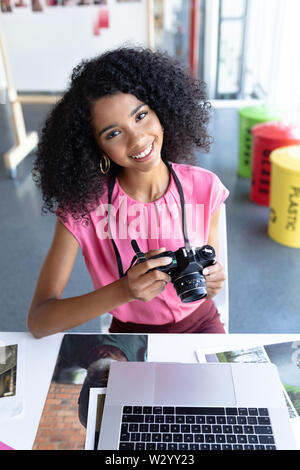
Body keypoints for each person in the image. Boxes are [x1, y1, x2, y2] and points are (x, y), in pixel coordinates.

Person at [27, 46, 229, 338]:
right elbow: (39, 321)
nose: (137, 139)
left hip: (201, 323)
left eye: (141, 115)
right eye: (113, 133)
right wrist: (124, 290)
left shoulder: (205, 187)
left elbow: (209, 284)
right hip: (130, 335)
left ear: (162, 108)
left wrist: (213, 281)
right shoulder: (82, 210)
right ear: (94, 146)